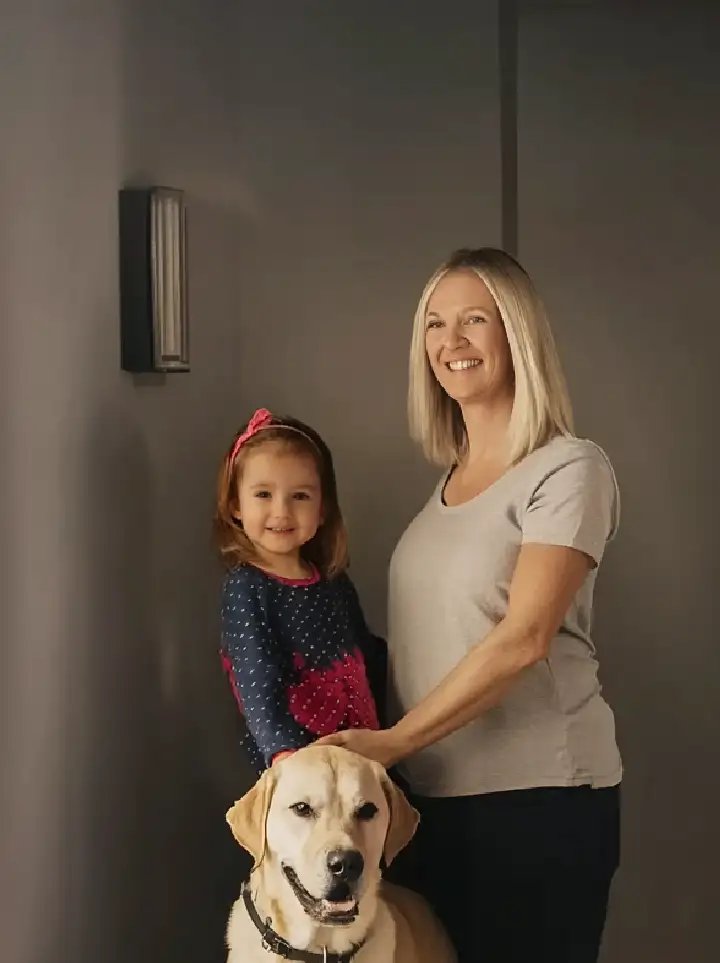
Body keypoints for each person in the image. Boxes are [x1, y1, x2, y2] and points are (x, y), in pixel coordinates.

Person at [318, 247, 622, 963]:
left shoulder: (569, 467)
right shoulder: (449, 484)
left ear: (516, 334)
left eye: (473, 320)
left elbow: (524, 637)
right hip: (429, 801)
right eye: (434, 323)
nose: (450, 342)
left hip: (536, 801)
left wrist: (391, 743)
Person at [215, 407, 386, 773]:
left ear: (322, 508)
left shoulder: (332, 580)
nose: (282, 512)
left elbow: (368, 657)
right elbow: (256, 680)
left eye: (300, 496)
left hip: (363, 759)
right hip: (300, 773)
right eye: (263, 494)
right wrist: (286, 757)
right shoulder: (247, 588)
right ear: (235, 505)